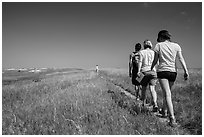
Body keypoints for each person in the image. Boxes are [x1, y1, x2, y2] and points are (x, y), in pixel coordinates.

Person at [151, 30, 189, 127]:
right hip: (173, 72)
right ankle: (164, 111)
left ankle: (172, 118)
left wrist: (151, 67)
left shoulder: (158, 45)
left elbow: (155, 60)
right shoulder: (177, 46)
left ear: (160, 37)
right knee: (167, 93)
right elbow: (181, 58)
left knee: (167, 94)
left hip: (162, 71)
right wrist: (186, 71)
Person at [137, 40, 158, 112]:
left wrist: (138, 71)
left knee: (143, 88)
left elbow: (140, 62)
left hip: (144, 71)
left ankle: (143, 103)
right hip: (153, 71)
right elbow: (156, 63)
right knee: (152, 89)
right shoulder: (154, 53)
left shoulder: (141, 52)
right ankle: (155, 103)